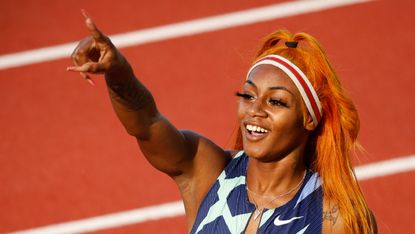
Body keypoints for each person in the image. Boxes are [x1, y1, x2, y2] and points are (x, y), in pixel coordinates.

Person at [67, 12, 377, 234]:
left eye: (276, 101)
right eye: (248, 96)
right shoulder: (207, 171)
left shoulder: (334, 218)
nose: (254, 110)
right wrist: (118, 73)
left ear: (309, 118)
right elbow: (146, 124)